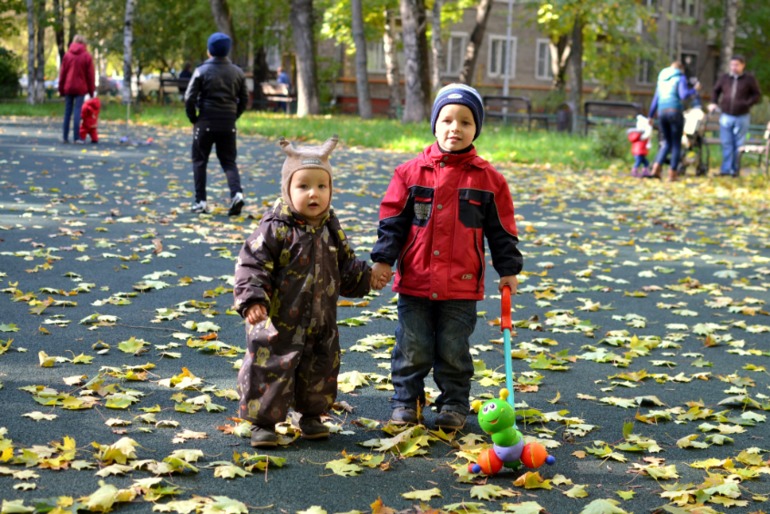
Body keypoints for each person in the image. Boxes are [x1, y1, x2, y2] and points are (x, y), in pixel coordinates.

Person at [370, 84, 523, 432]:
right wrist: (383, 260)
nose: (455, 128)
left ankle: (454, 402)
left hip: (461, 284)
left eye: (466, 122)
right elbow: (392, 222)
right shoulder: (409, 173)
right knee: (413, 345)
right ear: (435, 125)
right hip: (416, 280)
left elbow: (502, 230)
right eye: (447, 120)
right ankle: (406, 400)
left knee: (453, 348)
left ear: (476, 129)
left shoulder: (488, 180)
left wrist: (508, 269)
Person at [233, 136, 379, 447]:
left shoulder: (331, 228)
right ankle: (264, 422)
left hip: (320, 319)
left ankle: (311, 415)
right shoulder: (276, 228)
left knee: (319, 368)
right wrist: (253, 299)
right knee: (270, 366)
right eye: (303, 186)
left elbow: (346, 266)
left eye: (321, 186)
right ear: (288, 189)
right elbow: (252, 264)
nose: (314, 193)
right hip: (279, 321)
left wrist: (367, 278)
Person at [184, 33, 248, 216]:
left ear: (209, 50)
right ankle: (237, 194)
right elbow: (244, 99)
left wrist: (193, 118)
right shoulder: (238, 72)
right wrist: (233, 116)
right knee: (229, 161)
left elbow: (189, 97)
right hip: (228, 123)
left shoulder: (201, 71)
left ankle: (201, 202)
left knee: (199, 161)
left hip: (205, 122)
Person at [708, 55, 763, 177]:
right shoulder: (725, 78)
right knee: (726, 143)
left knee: (738, 144)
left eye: (737, 65)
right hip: (726, 115)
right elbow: (716, 91)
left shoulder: (749, 79)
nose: (734, 67)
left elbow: (757, 95)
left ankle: (735, 170)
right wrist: (713, 102)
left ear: (743, 65)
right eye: (732, 64)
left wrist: (746, 104)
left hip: (742, 116)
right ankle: (726, 169)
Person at [647, 61, 700, 182]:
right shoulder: (680, 77)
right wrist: (694, 90)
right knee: (676, 143)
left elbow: (656, 99)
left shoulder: (662, 79)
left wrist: (650, 116)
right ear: (681, 69)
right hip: (675, 111)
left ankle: (656, 169)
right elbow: (683, 95)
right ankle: (672, 174)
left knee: (666, 142)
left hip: (662, 112)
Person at [58, 35, 95, 144]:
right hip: (81, 88)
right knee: (77, 111)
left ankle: (65, 137)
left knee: (67, 112)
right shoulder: (87, 56)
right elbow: (90, 75)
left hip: (68, 87)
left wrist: (61, 89)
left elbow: (62, 73)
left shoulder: (67, 55)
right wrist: (91, 91)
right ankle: (76, 138)